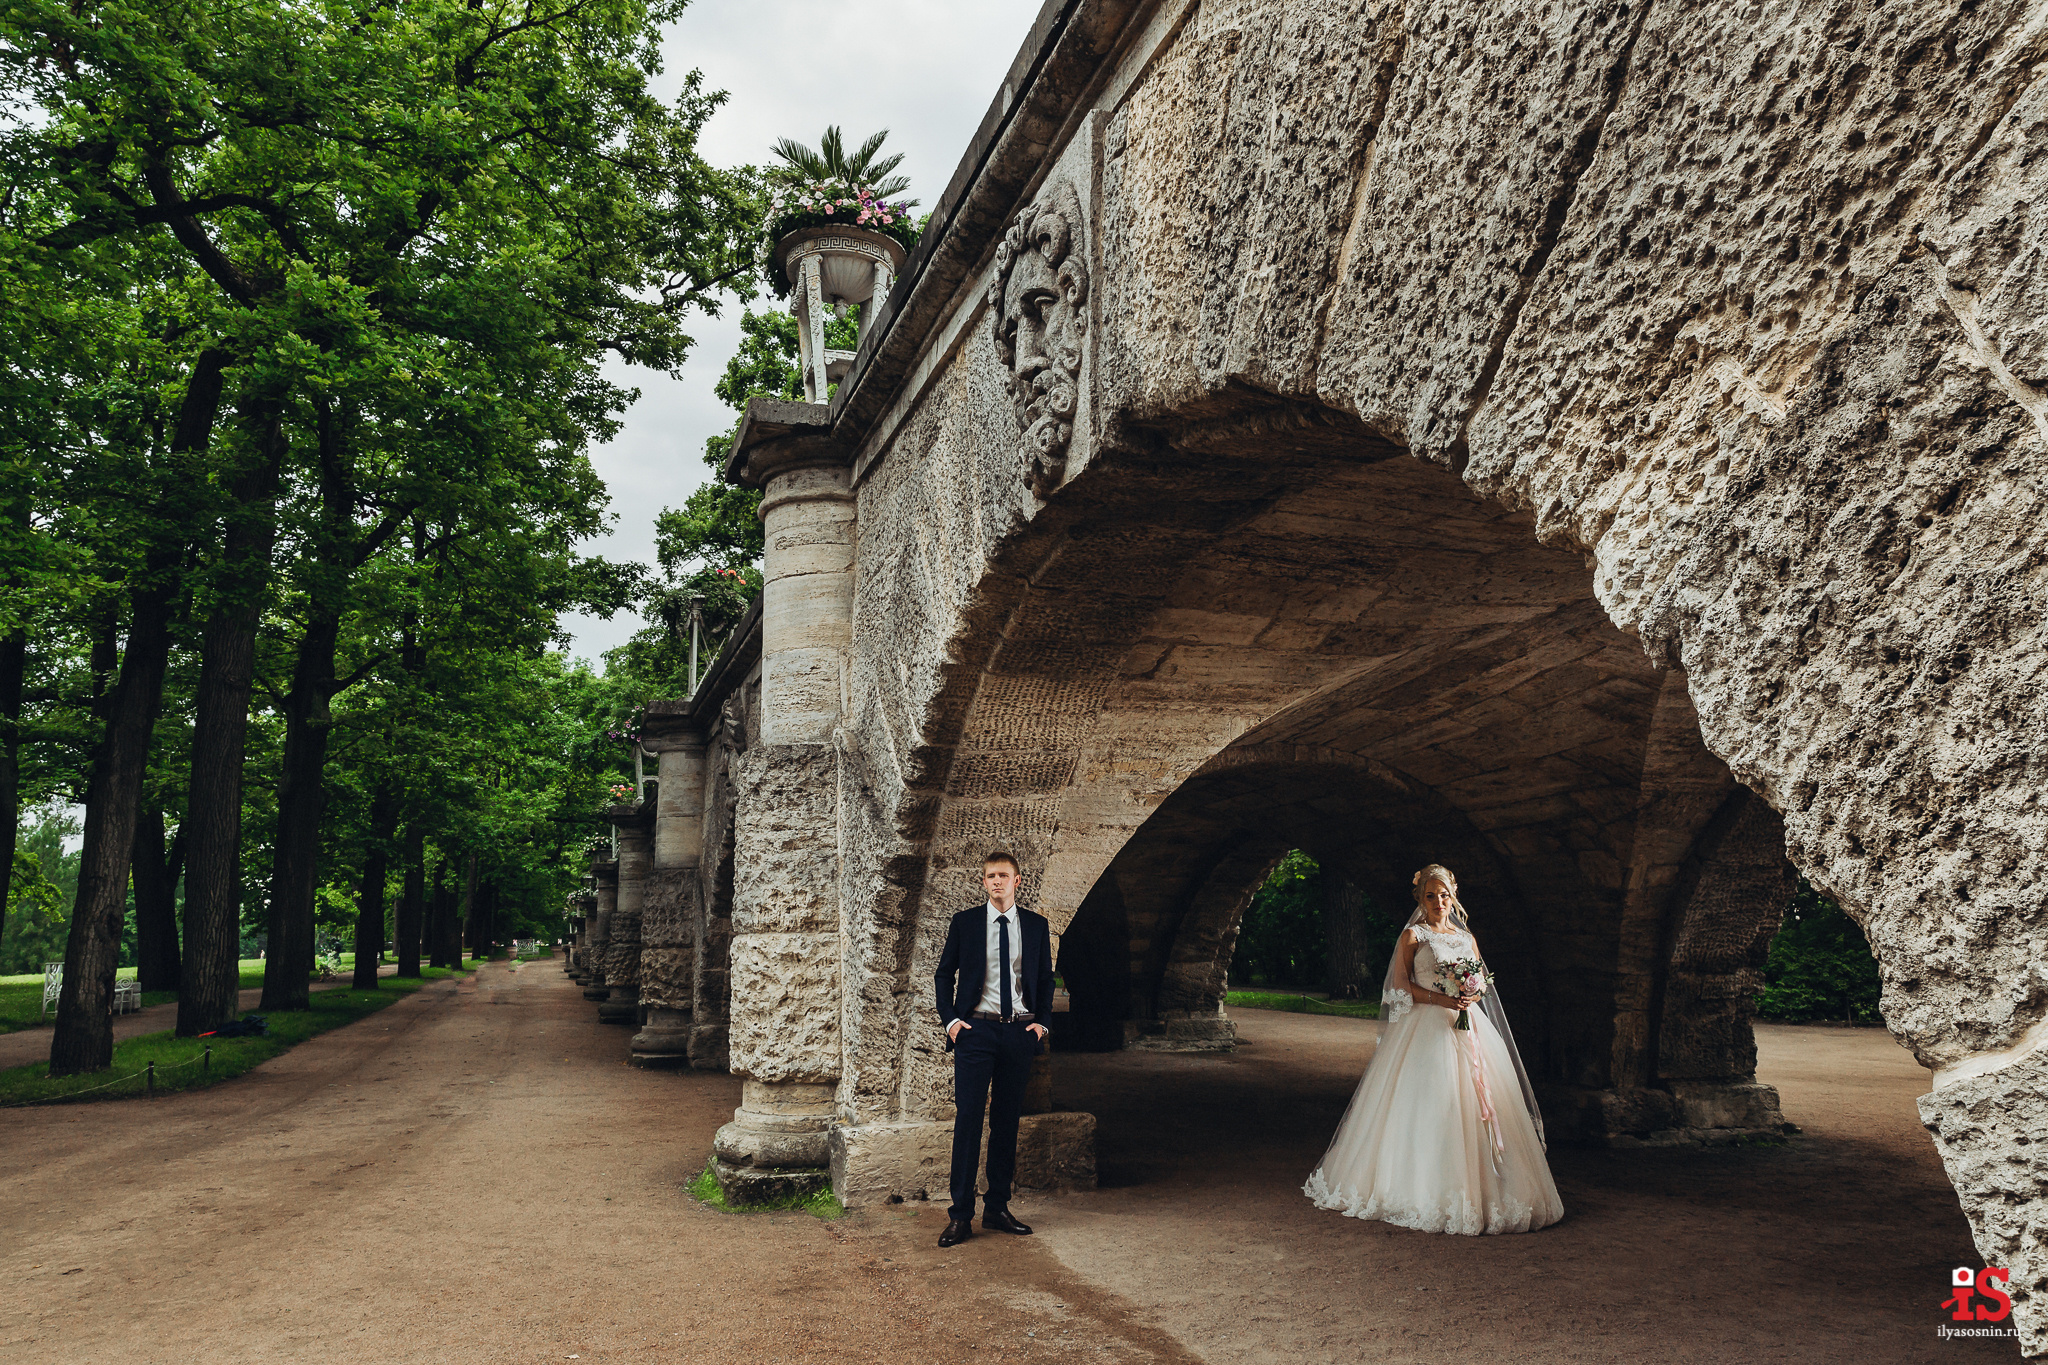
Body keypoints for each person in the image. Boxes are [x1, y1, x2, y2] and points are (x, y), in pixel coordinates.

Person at [1303, 863, 1563, 1234]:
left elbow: (1482, 981)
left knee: (1480, 1106)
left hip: (1469, 1027)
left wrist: (1473, 991)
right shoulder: (1413, 935)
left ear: (1453, 896)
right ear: (1420, 898)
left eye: (1445, 895)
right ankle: (1427, 1188)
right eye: (1431, 896)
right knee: (1431, 1106)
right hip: (1427, 1028)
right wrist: (1440, 1000)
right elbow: (1399, 987)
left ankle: (1491, 1187)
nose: (1439, 902)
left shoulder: (1466, 938)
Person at [932, 851, 1054, 1248]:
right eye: (989, 876)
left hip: (1018, 1034)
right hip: (976, 1034)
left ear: (1017, 881)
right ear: (983, 882)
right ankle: (960, 1216)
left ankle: (997, 1207)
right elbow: (943, 973)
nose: (996, 882)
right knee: (968, 1120)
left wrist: (1041, 1024)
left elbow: (1045, 980)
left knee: (1006, 1122)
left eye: (1003, 875)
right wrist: (952, 1022)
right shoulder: (965, 923)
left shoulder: (1036, 926)